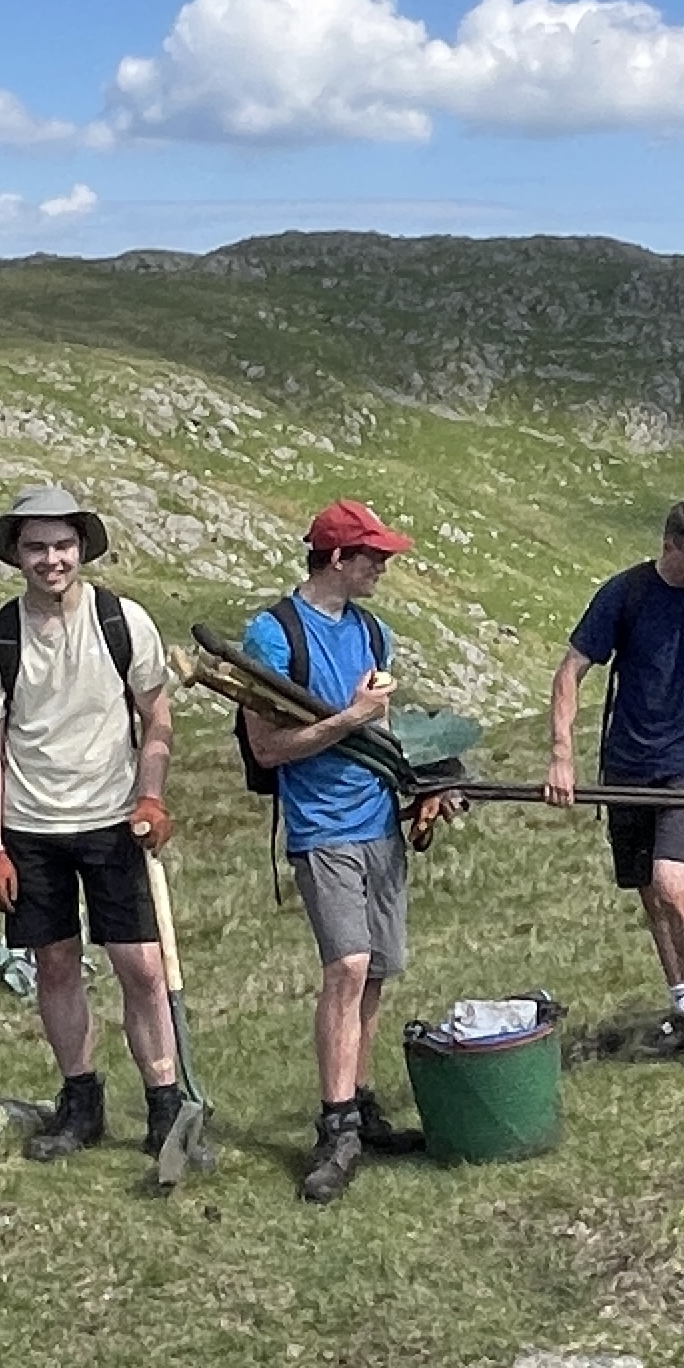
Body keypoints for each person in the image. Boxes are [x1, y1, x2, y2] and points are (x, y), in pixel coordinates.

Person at [0, 487, 181, 1170]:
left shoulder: (123, 621)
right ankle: (81, 1099)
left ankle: (165, 1100)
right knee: (54, 964)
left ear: (81, 548)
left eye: (62, 545)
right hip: (30, 826)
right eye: (36, 547)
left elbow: (158, 717)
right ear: (16, 556)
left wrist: (152, 797)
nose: (51, 559)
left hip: (116, 822)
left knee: (140, 966)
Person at [242, 500, 437, 1197]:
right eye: (372, 558)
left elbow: (381, 737)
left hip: (377, 820)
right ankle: (335, 1126)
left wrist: (422, 784)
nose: (382, 569)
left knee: (377, 968)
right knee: (347, 966)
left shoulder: (373, 632)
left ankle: (362, 1100)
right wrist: (351, 718)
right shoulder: (272, 637)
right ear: (335, 559)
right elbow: (267, 750)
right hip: (321, 825)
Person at [548, 499, 684, 1075]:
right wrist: (561, 758)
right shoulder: (626, 593)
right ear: (670, 545)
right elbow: (572, 669)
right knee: (649, 890)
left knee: (673, 883)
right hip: (626, 766)